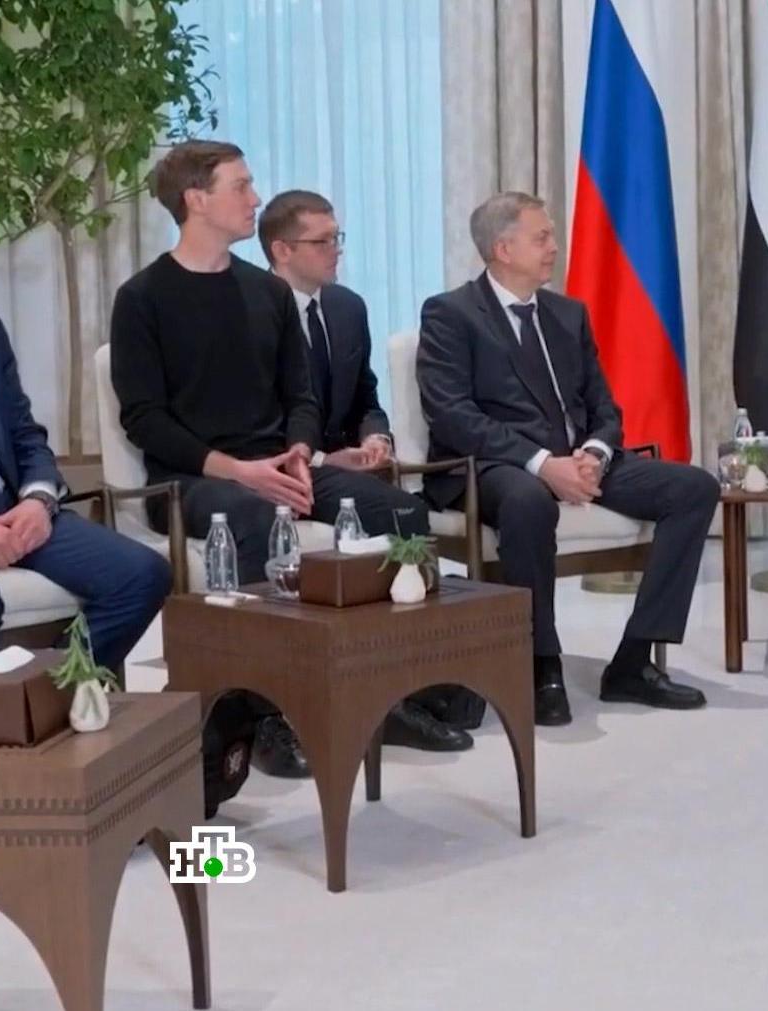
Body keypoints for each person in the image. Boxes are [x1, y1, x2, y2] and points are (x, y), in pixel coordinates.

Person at [109, 140, 432, 808]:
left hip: (281, 464)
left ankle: (392, 687)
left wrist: (298, 452)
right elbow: (145, 419)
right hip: (193, 478)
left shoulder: (268, 293)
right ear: (196, 200)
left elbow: (300, 396)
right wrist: (240, 470)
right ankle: (264, 710)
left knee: (399, 511)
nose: (255, 199)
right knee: (258, 517)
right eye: (241, 186)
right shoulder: (143, 298)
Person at [417, 192, 718, 725]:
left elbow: (604, 406)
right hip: (493, 466)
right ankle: (540, 666)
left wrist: (596, 452)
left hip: (579, 460)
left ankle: (633, 662)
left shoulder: (567, 314)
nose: (554, 247)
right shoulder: (451, 313)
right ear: (503, 249)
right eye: (542, 238)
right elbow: (452, 416)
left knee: (694, 488)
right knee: (529, 503)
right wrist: (541, 463)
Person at [259, 188, 469, 754]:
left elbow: (365, 396)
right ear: (281, 249)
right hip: (283, 468)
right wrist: (320, 459)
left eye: (338, 238)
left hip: (341, 465)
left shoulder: (347, 307)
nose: (337, 250)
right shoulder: (251, 311)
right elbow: (254, 420)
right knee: (393, 512)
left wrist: (376, 436)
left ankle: (412, 676)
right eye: (322, 241)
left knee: (404, 512)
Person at [0, 221, 170, 668]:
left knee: (142, 575)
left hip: (10, 507)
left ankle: (51, 687)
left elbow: (24, 434)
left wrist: (38, 499)